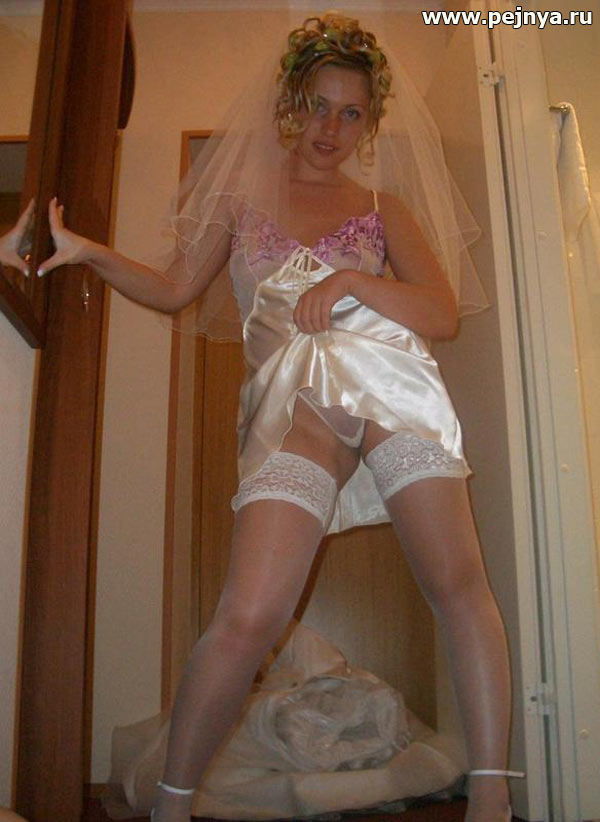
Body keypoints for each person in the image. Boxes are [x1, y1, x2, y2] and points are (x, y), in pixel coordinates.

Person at [32, 13, 524, 822]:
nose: (331, 127)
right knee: (249, 615)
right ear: (291, 101)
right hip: (291, 410)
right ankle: (172, 806)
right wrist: (86, 251)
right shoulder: (241, 201)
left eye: (352, 113)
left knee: (459, 585)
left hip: (392, 393)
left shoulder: (383, 207)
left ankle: (493, 800)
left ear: (370, 122)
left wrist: (354, 282)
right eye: (318, 105)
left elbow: (440, 313)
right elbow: (173, 288)